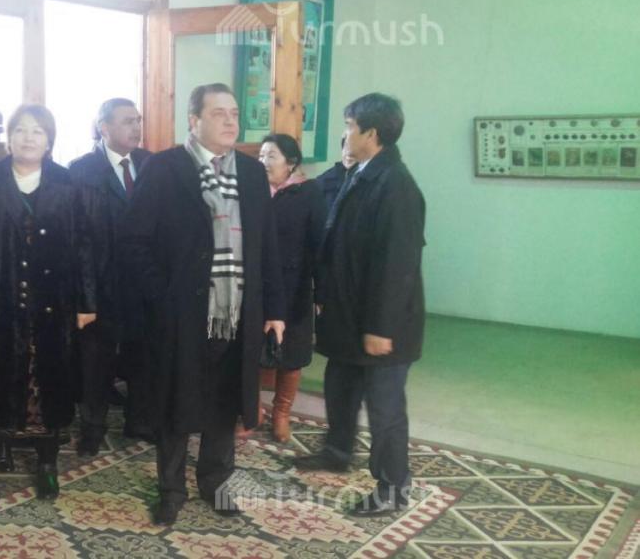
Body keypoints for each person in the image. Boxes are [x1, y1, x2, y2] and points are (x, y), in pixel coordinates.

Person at [119, 83, 285, 526]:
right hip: (182, 314)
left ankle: (216, 482)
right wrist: (163, 296)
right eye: (218, 113)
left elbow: (266, 245)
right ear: (193, 121)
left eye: (234, 113)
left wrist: (274, 309)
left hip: (237, 310)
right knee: (177, 402)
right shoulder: (164, 168)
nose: (230, 121)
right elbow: (133, 241)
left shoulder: (251, 173)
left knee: (225, 403)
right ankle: (171, 490)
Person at [294, 93, 426, 518]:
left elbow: (397, 266)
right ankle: (337, 451)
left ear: (372, 133)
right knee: (340, 388)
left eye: (350, 126)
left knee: (385, 409)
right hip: (348, 317)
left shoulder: (396, 187)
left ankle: (393, 487)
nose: (345, 134)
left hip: (381, 326)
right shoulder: (363, 174)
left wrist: (380, 328)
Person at [0, 104, 97, 499]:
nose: (28, 137)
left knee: (52, 373)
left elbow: (84, 245)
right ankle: (0, 437)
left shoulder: (66, 182)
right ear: (9, 138)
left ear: (49, 141)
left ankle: (48, 458)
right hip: (2, 297)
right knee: (1, 371)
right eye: (20, 130)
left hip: (54, 299)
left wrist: (87, 302)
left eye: (37, 131)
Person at [69, 98, 154, 456]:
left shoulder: (150, 163)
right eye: (126, 121)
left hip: (142, 281)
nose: (136, 127)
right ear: (104, 127)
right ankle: (92, 427)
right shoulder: (82, 170)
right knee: (96, 361)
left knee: (143, 355)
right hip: (101, 282)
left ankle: (140, 420)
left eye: (137, 120)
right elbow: (79, 238)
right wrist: (85, 296)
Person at [256, 134, 327, 443]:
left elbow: (319, 245)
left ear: (291, 162)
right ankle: (252, 410)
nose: (263, 162)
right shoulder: (254, 191)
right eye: (261, 155)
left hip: (294, 286)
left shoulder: (309, 193)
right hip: (257, 285)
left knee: (292, 353)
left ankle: (281, 412)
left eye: (271, 156)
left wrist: (321, 291)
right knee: (252, 350)